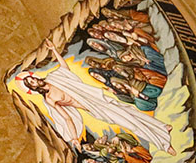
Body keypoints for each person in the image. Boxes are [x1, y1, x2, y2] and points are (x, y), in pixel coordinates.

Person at [20, 42, 174, 155]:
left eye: (32, 79)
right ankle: (163, 143)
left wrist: (54, 50)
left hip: (98, 98)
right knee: (128, 121)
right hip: (93, 108)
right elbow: (66, 118)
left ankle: (161, 127)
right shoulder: (49, 99)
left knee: (130, 111)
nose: (34, 82)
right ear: (32, 88)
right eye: (31, 84)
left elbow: (64, 68)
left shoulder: (53, 77)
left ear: (35, 77)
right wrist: (74, 138)